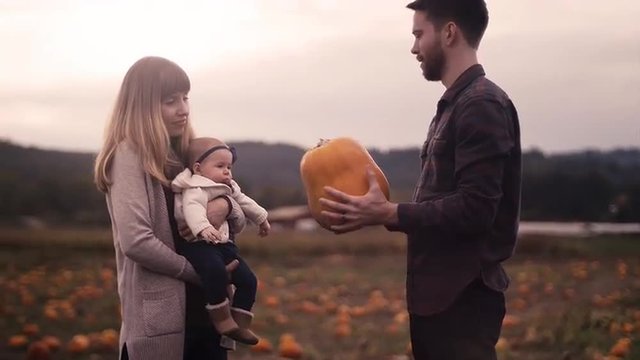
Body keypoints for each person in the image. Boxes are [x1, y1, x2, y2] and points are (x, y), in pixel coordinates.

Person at [319, 1, 521, 359]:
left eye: (418, 34)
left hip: (463, 299)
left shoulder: (481, 104)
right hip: (439, 298)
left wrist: (389, 213)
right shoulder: (455, 104)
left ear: (448, 33)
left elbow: (476, 209)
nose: (413, 47)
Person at [94, 56, 242, 360]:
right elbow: (136, 241)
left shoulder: (188, 156)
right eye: (170, 100)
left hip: (209, 312)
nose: (183, 109)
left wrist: (224, 204)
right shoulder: (128, 155)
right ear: (142, 106)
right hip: (164, 321)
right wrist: (199, 273)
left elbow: (239, 217)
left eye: (185, 98)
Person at [171, 137, 270, 345]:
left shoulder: (228, 186)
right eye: (220, 166)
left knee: (248, 280)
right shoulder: (194, 187)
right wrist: (203, 227)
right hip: (199, 245)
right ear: (198, 168)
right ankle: (223, 320)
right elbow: (192, 209)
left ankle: (239, 324)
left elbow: (244, 202)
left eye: (229, 166)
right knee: (215, 272)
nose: (227, 171)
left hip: (224, 245)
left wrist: (261, 218)